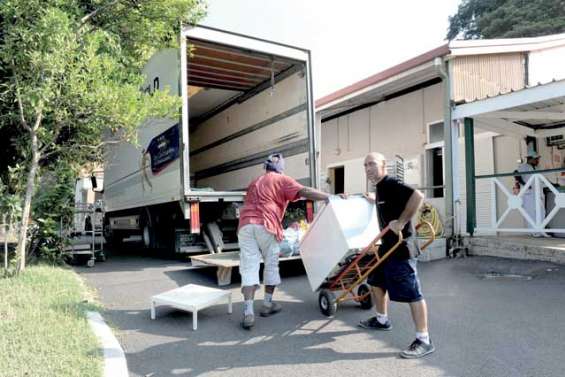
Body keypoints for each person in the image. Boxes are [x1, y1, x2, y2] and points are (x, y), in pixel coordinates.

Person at [238, 153, 332, 330]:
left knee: (249, 267)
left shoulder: (255, 181)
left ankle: (248, 312)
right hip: (266, 224)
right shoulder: (281, 179)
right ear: (281, 168)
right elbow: (304, 191)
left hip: (245, 225)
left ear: (266, 167)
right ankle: (267, 304)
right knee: (271, 264)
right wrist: (327, 197)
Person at [358, 152, 434, 359]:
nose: (368, 168)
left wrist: (401, 221)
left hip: (401, 247)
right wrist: (373, 199)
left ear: (384, 166)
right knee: (376, 281)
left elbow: (417, 196)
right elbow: (390, 202)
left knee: (412, 293)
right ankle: (382, 320)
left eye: (372, 164)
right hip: (386, 247)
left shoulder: (391, 183)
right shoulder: (381, 189)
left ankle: (424, 340)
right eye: (365, 165)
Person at [514, 151, 547, 237]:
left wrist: (552, 184)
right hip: (529, 193)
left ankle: (540, 231)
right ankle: (532, 232)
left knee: (542, 211)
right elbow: (516, 173)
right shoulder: (523, 166)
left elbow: (543, 179)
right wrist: (525, 184)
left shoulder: (538, 168)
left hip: (539, 193)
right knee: (530, 212)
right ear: (530, 159)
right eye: (536, 159)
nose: (537, 160)